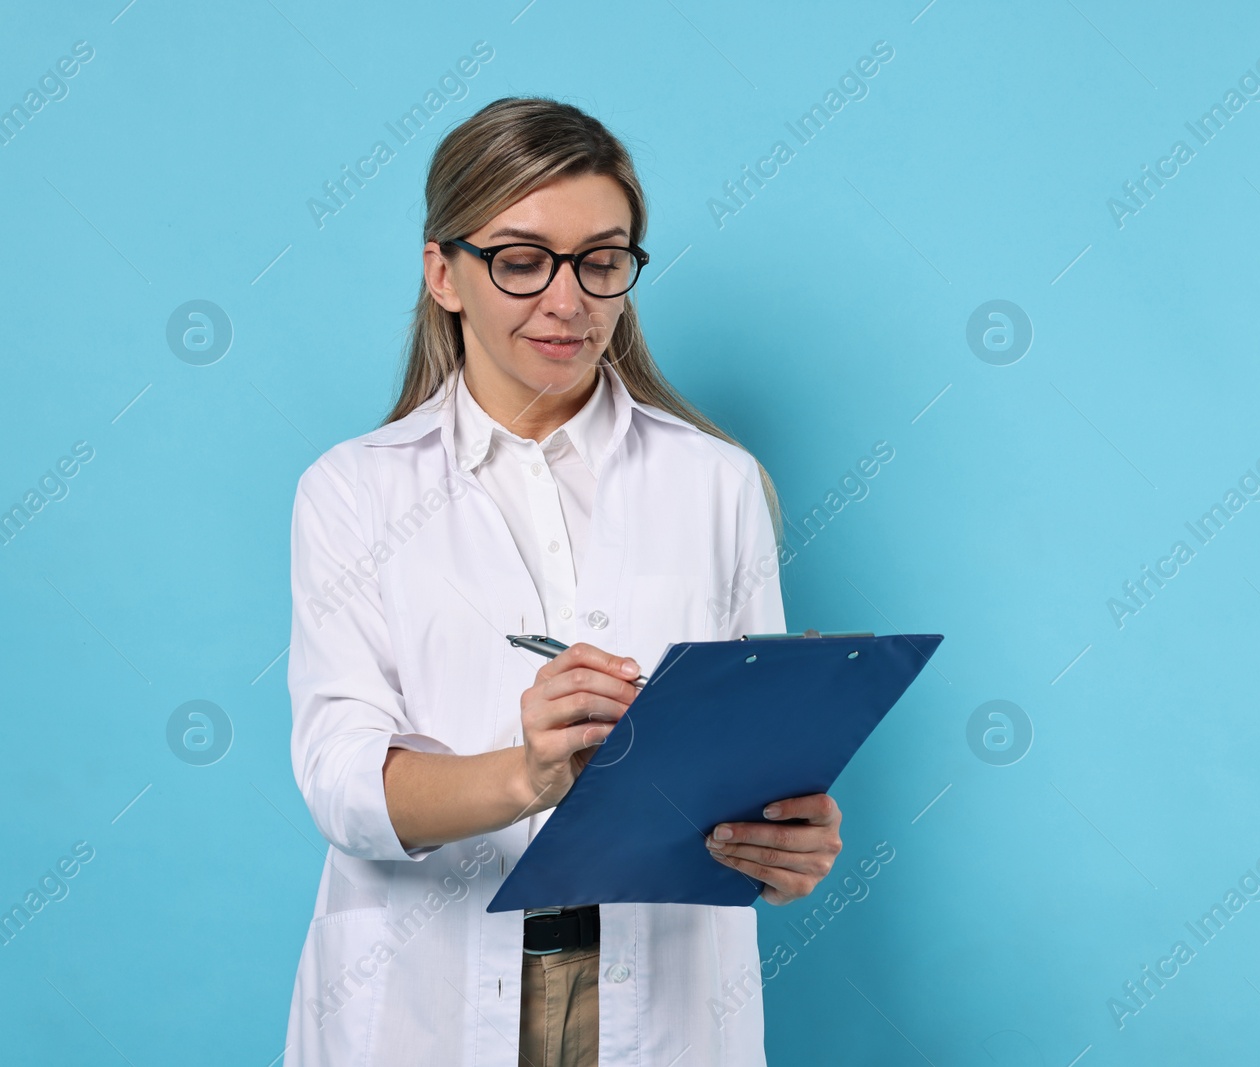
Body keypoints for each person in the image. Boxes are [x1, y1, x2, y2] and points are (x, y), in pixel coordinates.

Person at [283, 96, 844, 1067]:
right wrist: (528, 773)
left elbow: (758, 749)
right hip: (428, 1003)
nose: (568, 296)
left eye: (601, 257)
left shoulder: (716, 481)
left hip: (661, 1002)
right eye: (520, 258)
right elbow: (341, 780)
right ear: (442, 273)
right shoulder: (353, 490)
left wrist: (787, 842)